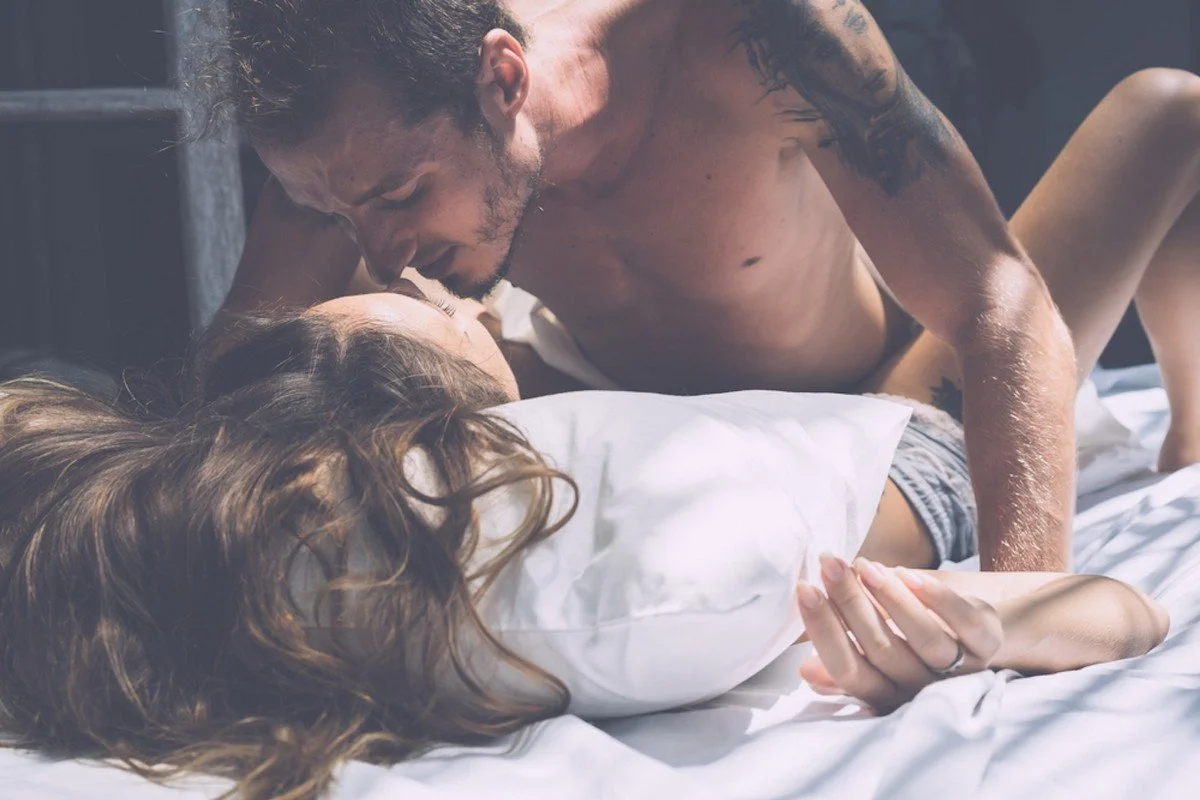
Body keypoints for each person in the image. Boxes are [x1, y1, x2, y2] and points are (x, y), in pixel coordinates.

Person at [0, 291, 1170, 800]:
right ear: (467, 421)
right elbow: (1118, 607)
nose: (471, 302)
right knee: (1160, 115)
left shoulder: (306, 543)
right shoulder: (583, 517)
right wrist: (975, 632)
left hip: (827, 413)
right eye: (445, 314)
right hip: (915, 440)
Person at [212, 0, 1200, 574]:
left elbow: (997, 303)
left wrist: (1022, 606)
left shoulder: (750, 33)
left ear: (503, 79)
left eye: (399, 196)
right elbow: (233, 378)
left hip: (879, 394)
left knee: (1169, 111)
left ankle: (1191, 441)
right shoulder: (357, 145)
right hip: (607, 390)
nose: (380, 251)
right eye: (334, 212)